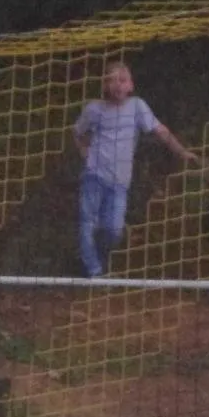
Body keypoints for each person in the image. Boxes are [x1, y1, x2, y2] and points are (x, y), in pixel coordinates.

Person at [72, 61, 197, 278]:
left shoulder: (137, 106)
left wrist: (182, 152)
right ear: (104, 85)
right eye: (111, 80)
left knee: (114, 230)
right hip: (94, 175)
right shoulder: (94, 109)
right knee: (88, 222)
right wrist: (84, 152)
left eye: (122, 80)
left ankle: (95, 256)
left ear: (131, 85)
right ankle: (93, 271)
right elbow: (77, 132)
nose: (117, 85)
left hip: (120, 182)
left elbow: (161, 131)